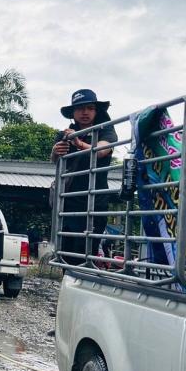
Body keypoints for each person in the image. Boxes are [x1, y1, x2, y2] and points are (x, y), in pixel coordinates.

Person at [51, 89, 118, 265]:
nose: (85, 112)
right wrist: (55, 152)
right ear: (73, 113)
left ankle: (83, 285)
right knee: (65, 253)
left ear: (97, 111)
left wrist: (79, 143)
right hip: (67, 202)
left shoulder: (106, 130)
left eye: (89, 108)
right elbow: (56, 162)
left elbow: (102, 150)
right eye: (80, 108)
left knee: (86, 253)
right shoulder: (65, 134)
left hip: (94, 202)